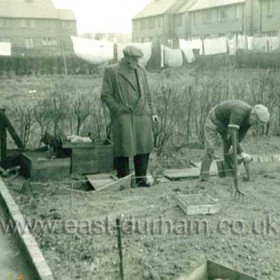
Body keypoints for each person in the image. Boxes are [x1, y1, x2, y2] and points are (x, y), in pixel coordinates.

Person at [101, 45, 159, 187]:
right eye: (134, 59)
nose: (137, 62)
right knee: (123, 148)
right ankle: (124, 182)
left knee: (143, 147)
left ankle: (141, 179)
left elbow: (148, 93)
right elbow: (105, 95)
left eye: (138, 59)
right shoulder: (112, 71)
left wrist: (153, 112)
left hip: (142, 114)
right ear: (126, 58)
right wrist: (118, 110)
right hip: (124, 116)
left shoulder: (141, 70)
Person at [200, 100, 270, 181]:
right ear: (253, 114)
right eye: (257, 122)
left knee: (231, 149)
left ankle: (230, 176)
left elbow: (239, 136)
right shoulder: (239, 112)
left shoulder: (249, 120)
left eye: (259, 124)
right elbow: (233, 135)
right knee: (211, 148)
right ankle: (203, 177)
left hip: (226, 125)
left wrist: (235, 147)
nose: (256, 125)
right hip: (214, 120)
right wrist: (242, 153)